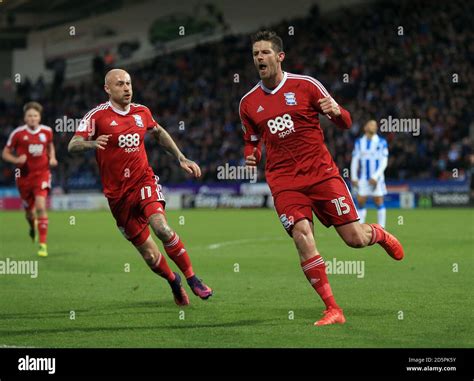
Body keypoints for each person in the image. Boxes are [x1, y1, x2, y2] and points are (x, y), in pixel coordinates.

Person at [240, 30, 404, 326]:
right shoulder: (248, 103)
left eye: (265, 53)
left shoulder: (306, 86)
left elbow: (346, 122)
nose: (259, 58)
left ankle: (377, 233)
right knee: (302, 234)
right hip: (284, 181)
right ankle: (332, 308)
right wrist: (250, 153)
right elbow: (251, 139)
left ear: (279, 57)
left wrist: (337, 110)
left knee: (354, 239)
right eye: (255, 54)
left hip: (321, 175)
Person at [68, 68, 212, 306]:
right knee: (150, 255)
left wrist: (181, 157)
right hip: (118, 197)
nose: (126, 88)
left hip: (143, 181)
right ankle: (173, 280)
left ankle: (192, 278)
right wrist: (92, 143)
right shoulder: (97, 116)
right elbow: (73, 145)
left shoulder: (141, 111)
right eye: (120, 84)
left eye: (129, 83)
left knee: (162, 228)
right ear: (107, 88)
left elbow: (157, 132)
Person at [2, 102, 57, 257]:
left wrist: (52, 157)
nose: (32, 118)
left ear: (39, 117)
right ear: (25, 118)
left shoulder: (47, 131)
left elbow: (50, 146)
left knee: (40, 207)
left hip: (42, 174)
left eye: (35, 115)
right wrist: (16, 160)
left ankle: (43, 245)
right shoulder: (17, 134)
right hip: (23, 178)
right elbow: (5, 153)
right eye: (29, 116)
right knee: (30, 214)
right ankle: (32, 228)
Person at [351, 120, 388, 227]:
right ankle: (360, 226)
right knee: (361, 200)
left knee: (378, 200)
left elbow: (384, 162)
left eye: (375, 125)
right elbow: (355, 160)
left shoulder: (381, 142)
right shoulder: (359, 142)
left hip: (377, 178)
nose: (373, 126)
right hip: (363, 177)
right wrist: (354, 177)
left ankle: (382, 227)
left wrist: (376, 177)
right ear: (365, 127)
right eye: (370, 124)